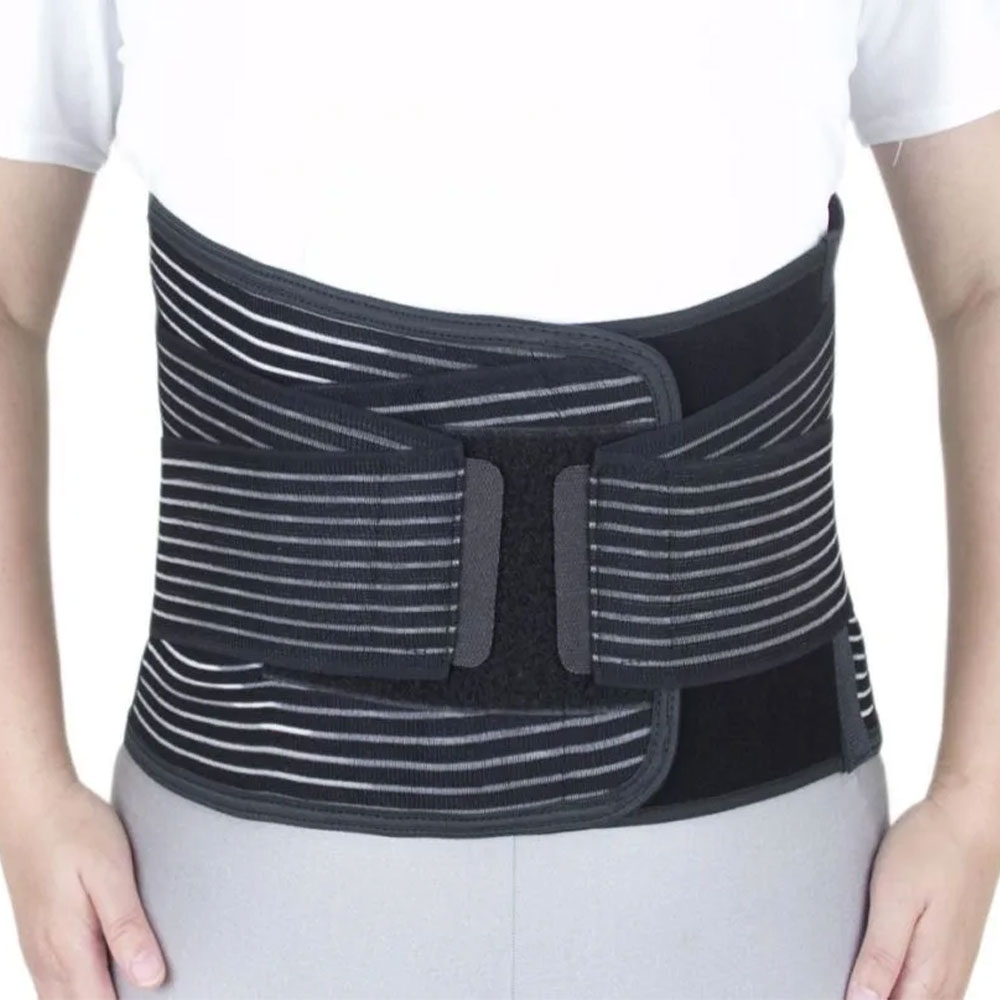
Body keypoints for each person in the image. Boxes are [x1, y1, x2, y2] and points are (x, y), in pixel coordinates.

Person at [1, 2, 1000, 998]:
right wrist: (24, 791)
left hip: (758, 870)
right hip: (241, 876)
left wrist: (977, 801)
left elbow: (983, 283)